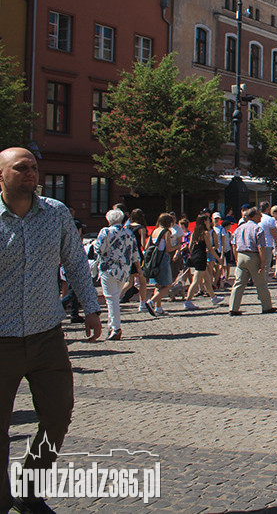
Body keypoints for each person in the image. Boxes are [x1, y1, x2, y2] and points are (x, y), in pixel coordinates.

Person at [1, 147, 102, 513]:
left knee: (58, 414)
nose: (30, 173)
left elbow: (75, 262)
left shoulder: (55, 213)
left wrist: (91, 308)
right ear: (1, 175)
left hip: (47, 335)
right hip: (2, 339)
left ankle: (29, 489)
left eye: (33, 167)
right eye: (20, 168)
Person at [94, 208, 136, 340]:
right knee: (115, 298)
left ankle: (116, 328)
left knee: (111, 299)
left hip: (109, 268)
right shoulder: (129, 232)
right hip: (124, 269)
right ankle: (112, 325)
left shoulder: (105, 231)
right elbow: (134, 252)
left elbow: (98, 249)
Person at [229, 207, 276, 316]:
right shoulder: (258, 229)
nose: (261, 217)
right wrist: (263, 262)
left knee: (239, 283)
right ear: (254, 216)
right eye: (259, 215)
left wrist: (236, 257)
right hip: (253, 255)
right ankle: (267, 306)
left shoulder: (240, 228)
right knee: (261, 283)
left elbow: (234, 243)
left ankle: (233, 307)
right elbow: (261, 247)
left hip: (241, 255)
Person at [184, 214, 221, 310]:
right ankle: (188, 301)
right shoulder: (205, 233)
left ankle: (214, 298)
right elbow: (210, 248)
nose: (209, 222)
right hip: (201, 258)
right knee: (196, 281)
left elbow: (189, 247)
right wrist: (218, 258)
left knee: (207, 279)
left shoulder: (194, 233)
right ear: (204, 222)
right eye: (208, 220)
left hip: (196, 256)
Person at [143, 213, 178, 316]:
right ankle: (151, 301)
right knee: (167, 285)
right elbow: (168, 248)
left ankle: (158, 308)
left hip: (154, 260)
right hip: (162, 259)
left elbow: (146, 246)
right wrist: (177, 246)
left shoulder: (154, 231)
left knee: (158, 285)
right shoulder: (166, 232)